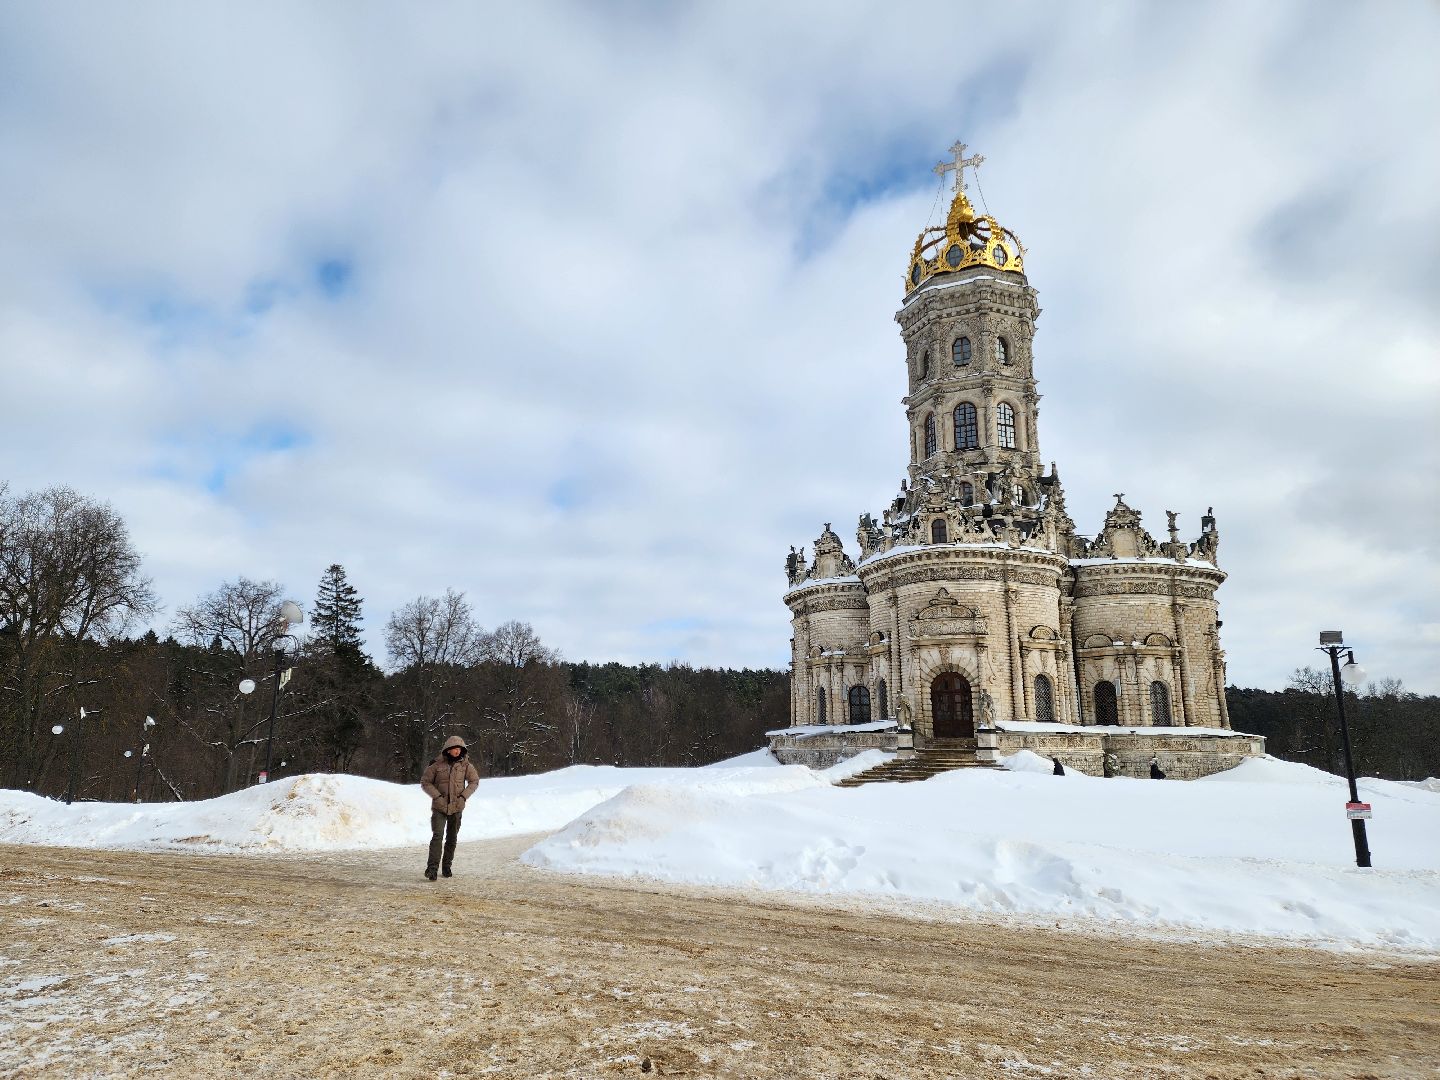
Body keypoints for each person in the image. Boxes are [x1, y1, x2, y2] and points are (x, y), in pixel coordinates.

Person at [420, 735, 480, 881]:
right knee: (437, 837)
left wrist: (463, 797)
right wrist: (437, 797)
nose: (457, 752)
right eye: (454, 749)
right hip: (439, 807)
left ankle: (447, 866)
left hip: (457, 807)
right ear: (448, 750)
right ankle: (432, 869)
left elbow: (474, 781)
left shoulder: (466, 765)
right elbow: (425, 782)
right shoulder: (436, 765)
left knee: (452, 838)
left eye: (460, 749)